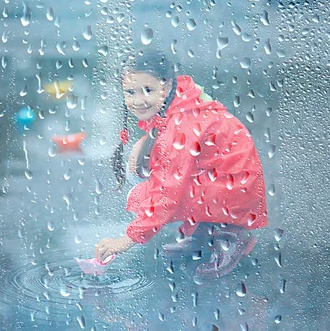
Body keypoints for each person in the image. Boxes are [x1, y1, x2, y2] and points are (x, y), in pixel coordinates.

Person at [94, 51, 268, 279]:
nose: (138, 100)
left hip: (236, 190)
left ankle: (231, 236)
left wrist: (126, 240)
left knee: (164, 188)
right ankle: (206, 230)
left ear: (164, 88)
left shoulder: (180, 123)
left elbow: (168, 193)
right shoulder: (181, 99)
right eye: (130, 92)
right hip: (224, 179)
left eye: (148, 90)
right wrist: (144, 144)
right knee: (151, 170)